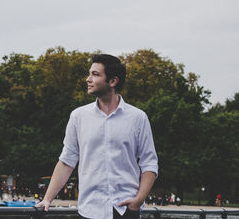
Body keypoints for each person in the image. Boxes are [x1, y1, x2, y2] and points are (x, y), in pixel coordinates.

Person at [36, 54, 159, 219]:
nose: (88, 79)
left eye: (95, 74)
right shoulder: (78, 116)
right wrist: (47, 199)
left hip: (125, 210)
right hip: (90, 210)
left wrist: (138, 201)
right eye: (90, 73)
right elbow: (67, 161)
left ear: (113, 81)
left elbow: (149, 163)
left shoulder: (138, 118)